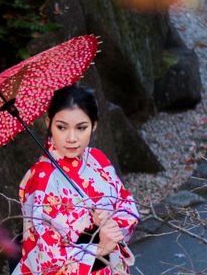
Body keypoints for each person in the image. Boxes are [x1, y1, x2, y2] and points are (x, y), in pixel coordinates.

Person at [16, 86, 139, 274]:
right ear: (48, 123)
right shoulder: (39, 178)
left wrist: (111, 223)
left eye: (81, 128)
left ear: (94, 125)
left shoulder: (98, 160)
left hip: (109, 266)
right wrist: (97, 249)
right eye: (61, 127)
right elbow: (43, 253)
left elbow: (127, 205)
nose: (72, 138)